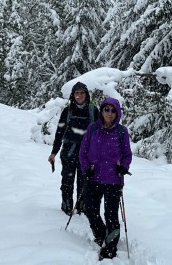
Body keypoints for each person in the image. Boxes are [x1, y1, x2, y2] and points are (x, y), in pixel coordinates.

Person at [79, 97, 132, 260]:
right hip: (94, 177)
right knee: (90, 209)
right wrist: (86, 168)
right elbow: (83, 151)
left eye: (113, 110)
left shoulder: (122, 132)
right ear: (101, 111)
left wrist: (123, 167)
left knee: (111, 215)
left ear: (118, 113)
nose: (109, 113)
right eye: (106, 109)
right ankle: (101, 234)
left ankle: (110, 246)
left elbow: (127, 154)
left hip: (113, 180)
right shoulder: (93, 129)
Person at [48, 82, 99, 215]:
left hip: (87, 153)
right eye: (77, 93)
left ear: (86, 94)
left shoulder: (93, 111)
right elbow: (60, 132)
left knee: (84, 183)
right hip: (69, 152)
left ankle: (81, 208)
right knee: (67, 180)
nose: (79, 95)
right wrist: (54, 152)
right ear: (73, 95)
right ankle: (67, 208)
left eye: (82, 93)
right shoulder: (68, 111)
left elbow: (100, 134)